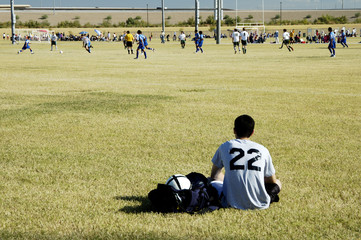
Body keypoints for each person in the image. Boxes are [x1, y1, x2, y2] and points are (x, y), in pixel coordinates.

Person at [210, 114, 282, 210]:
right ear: (252, 132)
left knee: (212, 182)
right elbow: (272, 181)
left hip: (230, 202)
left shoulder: (225, 146)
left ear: (234, 130)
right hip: (260, 203)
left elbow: (214, 175)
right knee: (278, 182)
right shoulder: (263, 149)